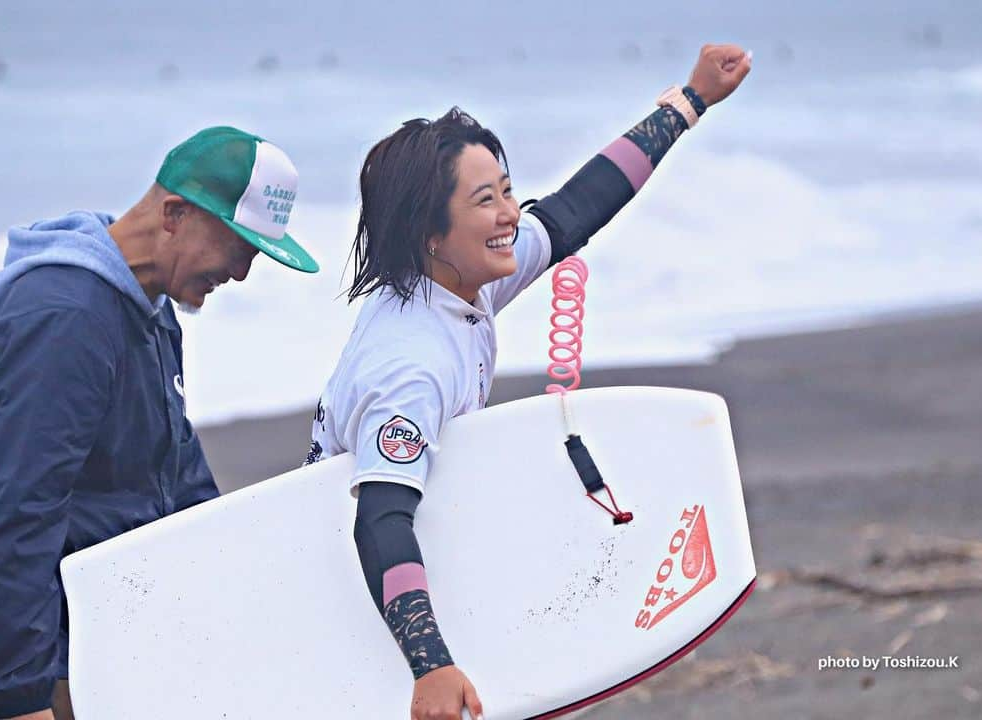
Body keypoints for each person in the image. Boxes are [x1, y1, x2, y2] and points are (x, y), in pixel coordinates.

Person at [307, 44, 750, 720]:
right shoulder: (410, 364)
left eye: (507, 190)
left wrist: (687, 103)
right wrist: (431, 667)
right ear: (431, 232)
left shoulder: (455, 279)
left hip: (407, 561)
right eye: (487, 200)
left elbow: (577, 209)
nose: (512, 213)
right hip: (354, 589)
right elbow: (381, 520)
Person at [0, 126, 319, 720]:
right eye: (239, 248)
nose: (242, 275)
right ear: (175, 213)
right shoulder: (67, 316)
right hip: (55, 662)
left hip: (124, 644)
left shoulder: (151, 308)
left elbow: (178, 472)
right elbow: (19, 511)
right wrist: (19, 696)